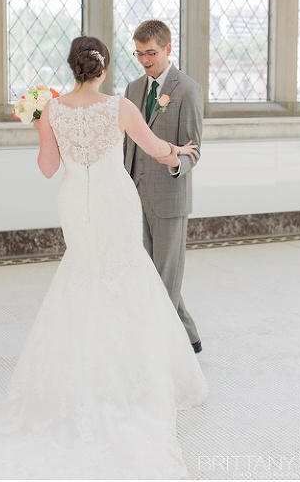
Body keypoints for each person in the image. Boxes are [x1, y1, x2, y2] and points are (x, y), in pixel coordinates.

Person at [0, 36, 207, 479]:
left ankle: (79, 378)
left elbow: (47, 168)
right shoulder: (119, 106)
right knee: (125, 273)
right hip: (115, 199)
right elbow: (155, 149)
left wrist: (40, 126)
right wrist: (182, 152)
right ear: (104, 67)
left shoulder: (51, 110)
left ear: (72, 67)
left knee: (83, 274)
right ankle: (135, 379)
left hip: (75, 200)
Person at [124, 19, 203, 353]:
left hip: (170, 197)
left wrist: (174, 161)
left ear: (168, 49)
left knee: (166, 276)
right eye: (139, 53)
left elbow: (193, 150)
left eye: (151, 53)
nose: (145, 60)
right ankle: (190, 338)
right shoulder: (131, 90)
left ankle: (161, 352)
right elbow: (128, 144)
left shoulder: (187, 89)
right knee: (152, 273)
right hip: (134, 195)